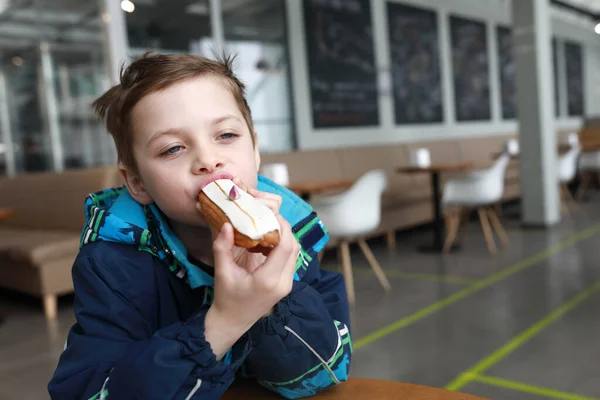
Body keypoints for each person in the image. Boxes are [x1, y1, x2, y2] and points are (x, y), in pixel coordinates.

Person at [47, 52, 352, 400]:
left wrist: (270, 300)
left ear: (254, 150)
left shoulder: (290, 236)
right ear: (138, 183)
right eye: (173, 148)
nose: (208, 160)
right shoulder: (111, 263)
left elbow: (325, 372)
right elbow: (86, 392)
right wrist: (225, 320)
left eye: (225, 135)